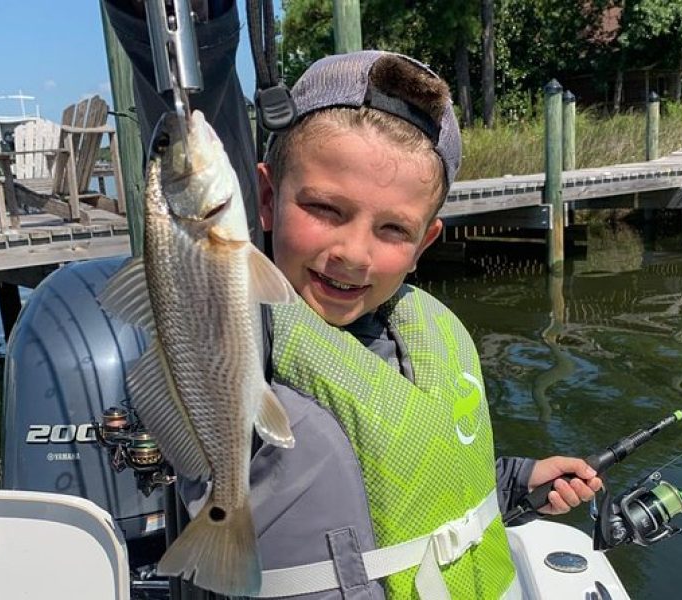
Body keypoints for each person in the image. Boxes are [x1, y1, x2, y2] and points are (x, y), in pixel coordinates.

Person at [105, 2, 601, 598]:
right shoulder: (251, 319)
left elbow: (415, 477)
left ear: (425, 244)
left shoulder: (419, 331)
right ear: (261, 198)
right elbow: (195, 131)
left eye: (393, 230)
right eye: (324, 209)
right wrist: (192, 30)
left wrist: (517, 483)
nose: (353, 254)